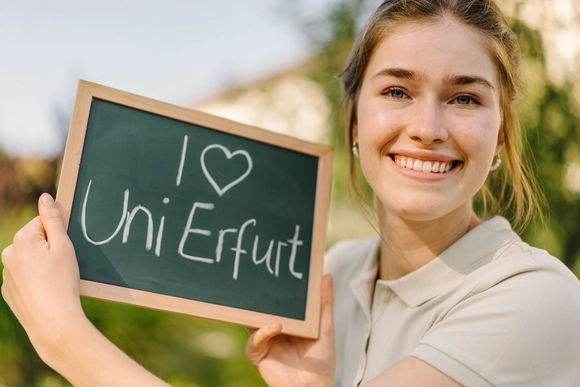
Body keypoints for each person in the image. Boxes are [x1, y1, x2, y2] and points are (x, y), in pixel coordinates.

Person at [3, 0, 580, 386]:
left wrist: (64, 337)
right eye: (398, 90)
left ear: (500, 136)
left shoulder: (539, 301)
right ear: (355, 123)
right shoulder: (332, 275)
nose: (427, 126)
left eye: (464, 98)